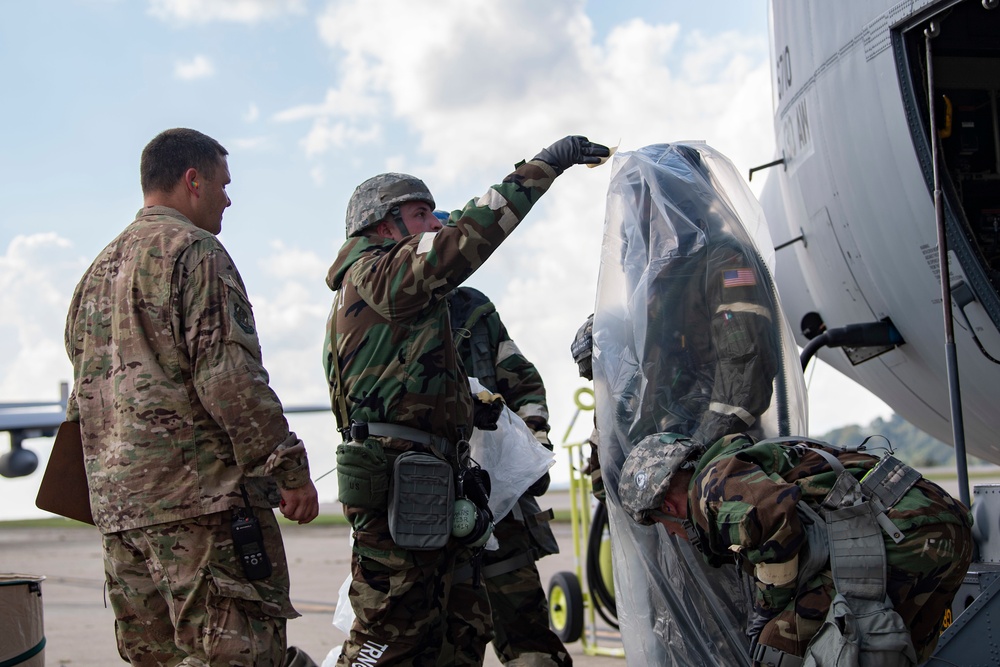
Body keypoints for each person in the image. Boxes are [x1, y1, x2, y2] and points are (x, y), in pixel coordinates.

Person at [323, 136, 609, 666]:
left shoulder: (428, 305)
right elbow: (464, 238)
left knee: (456, 633)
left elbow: (504, 381)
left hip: (441, 482)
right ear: (384, 226)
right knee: (390, 640)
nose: (434, 223)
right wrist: (544, 167)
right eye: (421, 213)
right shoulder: (377, 274)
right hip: (405, 485)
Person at [64, 128, 320, 667]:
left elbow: (82, 401)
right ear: (192, 180)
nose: (229, 197)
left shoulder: (94, 275)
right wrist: (286, 468)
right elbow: (229, 376)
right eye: (224, 184)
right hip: (201, 509)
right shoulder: (195, 252)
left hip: (123, 521)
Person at [590, 143, 809, 664]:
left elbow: (745, 364)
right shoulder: (655, 276)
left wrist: (696, 459)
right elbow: (646, 377)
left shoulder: (723, 259)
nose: (634, 213)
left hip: (709, 476)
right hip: (667, 480)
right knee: (670, 620)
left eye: (643, 196)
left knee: (721, 618)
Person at [619, 432, 974, 665]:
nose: (672, 535)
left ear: (667, 506)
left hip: (901, 536)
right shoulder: (744, 459)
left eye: (661, 526)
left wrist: (767, 609)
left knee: (778, 646)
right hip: (943, 523)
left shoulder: (710, 490)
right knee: (897, 650)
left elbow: (773, 514)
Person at [448, 283, 570, 667]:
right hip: (424, 507)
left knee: (528, 641)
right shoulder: (386, 306)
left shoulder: (474, 313)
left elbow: (525, 384)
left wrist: (534, 446)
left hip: (497, 504)